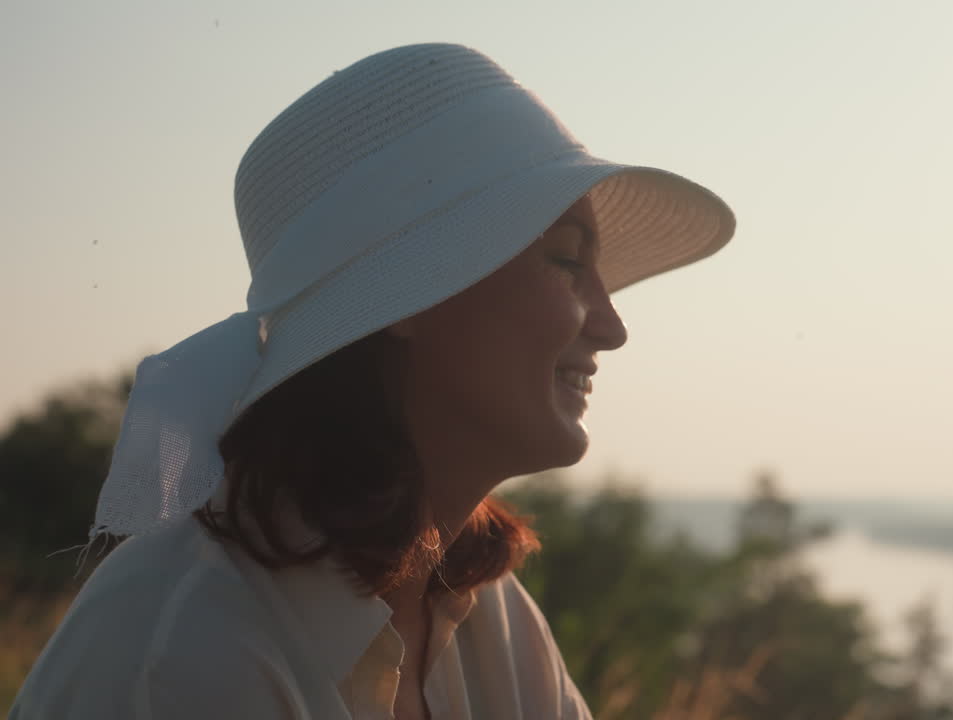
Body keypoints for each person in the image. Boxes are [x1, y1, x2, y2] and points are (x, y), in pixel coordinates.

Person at [9, 43, 734, 719]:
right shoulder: (187, 645)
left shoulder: (490, 616)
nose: (611, 326)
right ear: (414, 297)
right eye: (569, 260)